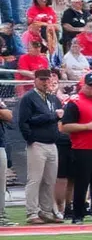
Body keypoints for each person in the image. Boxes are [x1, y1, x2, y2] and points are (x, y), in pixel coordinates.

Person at [58, 71, 92, 223]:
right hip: (83, 148)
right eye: (91, 86)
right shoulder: (74, 102)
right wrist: (87, 127)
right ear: (83, 85)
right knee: (81, 183)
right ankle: (78, 214)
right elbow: (65, 127)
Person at [18, 69, 64, 224]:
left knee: (50, 180)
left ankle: (45, 210)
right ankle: (31, 212)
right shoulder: (29, 98)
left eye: (47, 79)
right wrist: (30, 138)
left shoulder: (52, 98)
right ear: (35, 80)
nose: (45, 82)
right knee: (35, 179)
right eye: (42, 79)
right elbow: (26, 121)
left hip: (51, 143)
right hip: (37, 143)